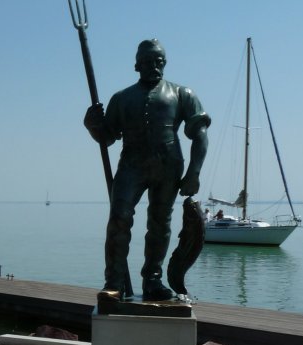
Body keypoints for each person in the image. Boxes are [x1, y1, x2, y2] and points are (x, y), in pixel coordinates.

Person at [84, 39, 210, 301]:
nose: (155, 66)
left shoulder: (182, 93)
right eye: (148, 62)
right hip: (131, 163)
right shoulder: (121, 98)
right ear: (137, 65)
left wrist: (194, 173)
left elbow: (200, 134)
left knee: (160, 224)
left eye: (159, 61)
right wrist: (93, 125)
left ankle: (152, 280)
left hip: (169, 164)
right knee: (119, 218)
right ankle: (114, 283)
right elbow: (107, 137)